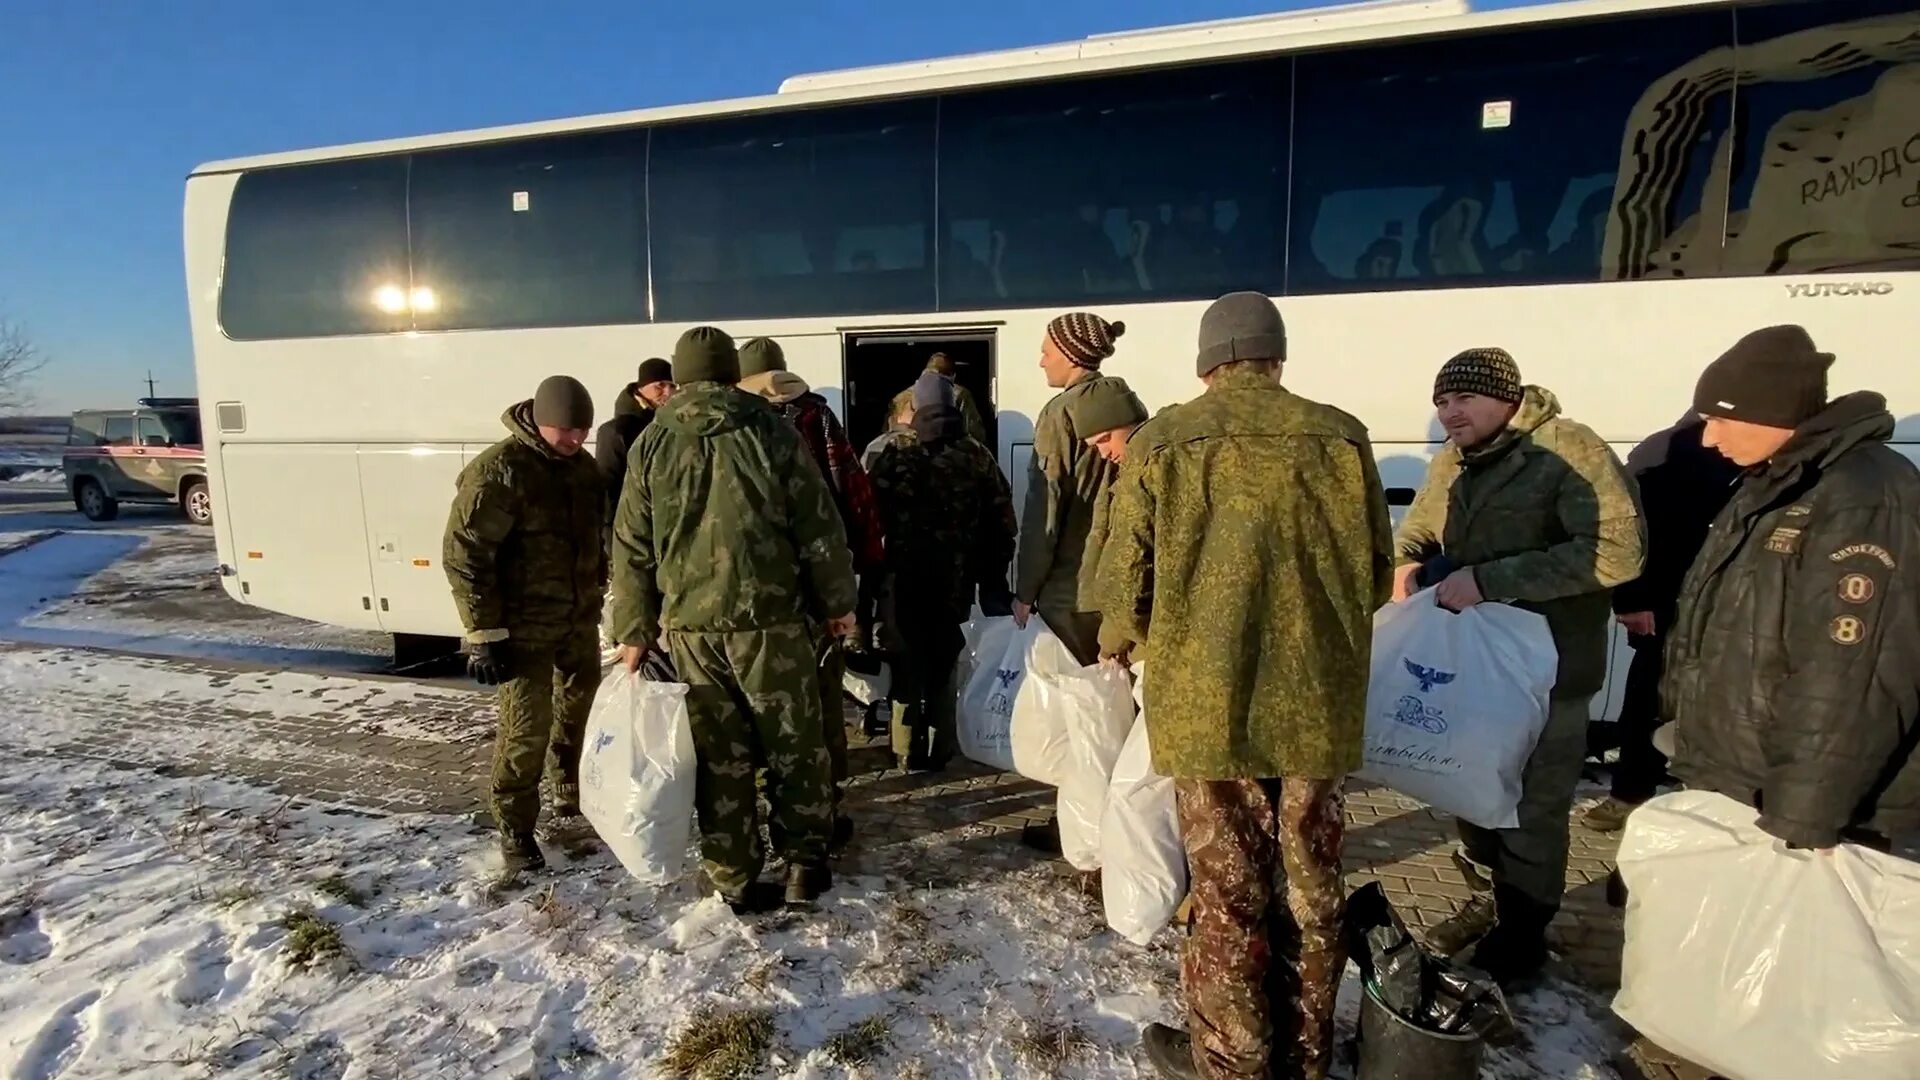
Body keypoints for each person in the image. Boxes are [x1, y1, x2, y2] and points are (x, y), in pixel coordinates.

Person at [1098, 292, 1393, 1080]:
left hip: (1207, 706)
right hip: (1316, 708)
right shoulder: (1342, 436)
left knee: (1227, 894)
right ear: (1277, 356)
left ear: (1207, 363)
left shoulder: (1163, 440)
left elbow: (1126, 588)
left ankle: (1233, 1062)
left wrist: (1124, 639)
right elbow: (1371, 576)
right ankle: (1305, 1056)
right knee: (1311, 889)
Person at [1395, 347, 1645, 984]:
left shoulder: (1568, 449)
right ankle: (1489, 897)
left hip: (1547, 670)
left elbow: (1616, 552)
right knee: (1470, 788)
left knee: (1532, 808)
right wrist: (1402, 562)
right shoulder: (1456, 459)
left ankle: (1524, 935)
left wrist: (1491, 579)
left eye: (1463, 400)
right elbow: (1420, 528)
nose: (1450, 414)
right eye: (1442, 403)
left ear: (1507, 398)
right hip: (1473, 666)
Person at [607, 327, 859, 914]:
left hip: (692, 632)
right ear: (729, 372)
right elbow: (818, 528)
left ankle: (736, 879)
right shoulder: (772, 430)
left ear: (683, 373)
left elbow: (631, 548)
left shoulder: (651, 443)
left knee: (722, 758)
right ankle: (803, 866)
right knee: (794, 746)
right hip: (771, 624)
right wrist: (837, 604)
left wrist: (635, 632)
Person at [1665, 325, 1920, 853]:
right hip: (1747, 780)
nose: (1709, 438)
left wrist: (1802, 821)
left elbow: (1852, 678)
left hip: (1797, 809)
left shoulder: (1862, 497)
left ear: (1772, 411)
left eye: (1719, 418)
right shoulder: (1781, 479)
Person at [443, 375, 608, 882]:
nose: (576, 440)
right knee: (525, 732)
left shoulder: (582, 469)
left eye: (583, 429)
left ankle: (568, 789)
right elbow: (465, 556)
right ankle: (515, 830)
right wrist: (483, 634)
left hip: (578, 621)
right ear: (539, 420)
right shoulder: (499, 471)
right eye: (566, 430)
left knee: (579, 712)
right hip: (522, 631)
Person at [739, 337, 883, 843]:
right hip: (821, 584)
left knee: (765, 703)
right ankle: (828, 803)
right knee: (823, 699)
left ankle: (770, 797)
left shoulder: (736, 423)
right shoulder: (817, 418)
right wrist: (858, 574)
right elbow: (853, 491)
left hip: (760, 592)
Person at [1581, 415, 1739, 832]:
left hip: (1731, 607)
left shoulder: (1766, 453)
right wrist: (1632, 598)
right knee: (1647, 701)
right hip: (1668, 603)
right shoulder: (1665, 449)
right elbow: (1626, 527)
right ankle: (1629, 794)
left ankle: (1712, 805)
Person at [1013, 311, 1132, 853]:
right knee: (1112, 714)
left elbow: (1046, 509)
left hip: (1069, 587)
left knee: (1080, 722)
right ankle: (1115, 825)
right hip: (1116, 585)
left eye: (1046, 350)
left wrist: (1024, 585)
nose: (1040, 359)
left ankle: (1083, 832)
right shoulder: (1126, 404)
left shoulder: (1059, 413)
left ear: (1071, 354)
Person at [869, 370, 1017, 770]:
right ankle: (941, 749)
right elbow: (1004, 522)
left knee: (905, 664)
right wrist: (992, 574)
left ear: (915, 406)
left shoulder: (894, 451)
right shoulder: (976, 454)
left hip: (903, 579)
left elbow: (867, 517)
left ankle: (904, 750)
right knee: (944, 665)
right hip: (956, 582)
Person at [594, 358, 675, 665]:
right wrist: (611, 542)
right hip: (627, 534)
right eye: (660, 385)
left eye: (671, 385)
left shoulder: (665, 424)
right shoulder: (618, 431)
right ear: (642, 388)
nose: (667, 391)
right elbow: (608, 493)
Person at [887, 352, 988, 447]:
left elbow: (887, 432)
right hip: (948, 453)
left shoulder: (901, 397)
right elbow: (975, 433)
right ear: (953, 375)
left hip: (907, 452)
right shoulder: (960, 394)